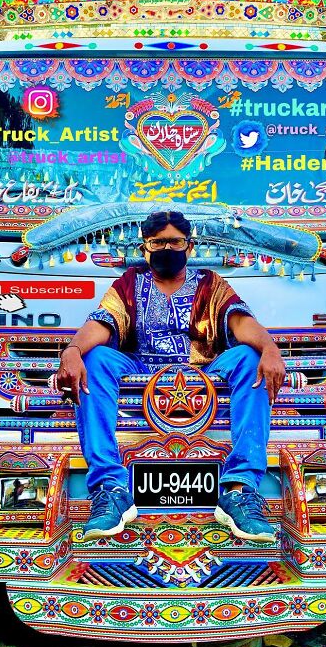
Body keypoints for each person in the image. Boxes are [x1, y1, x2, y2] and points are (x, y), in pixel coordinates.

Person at [55, 210, 286, 543]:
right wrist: (73, 351)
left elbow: (240, 324)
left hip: (202, 371)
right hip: (140, 370)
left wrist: (270, 348)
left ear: (189, 247)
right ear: (145, 248)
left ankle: (239, 490)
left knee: (250, 358)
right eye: (157, 242)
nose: (166, 248)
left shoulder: (210, 284)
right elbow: (102, 324)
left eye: (174, 242)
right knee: (96, 358)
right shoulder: (129, 283)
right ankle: (111, 489)